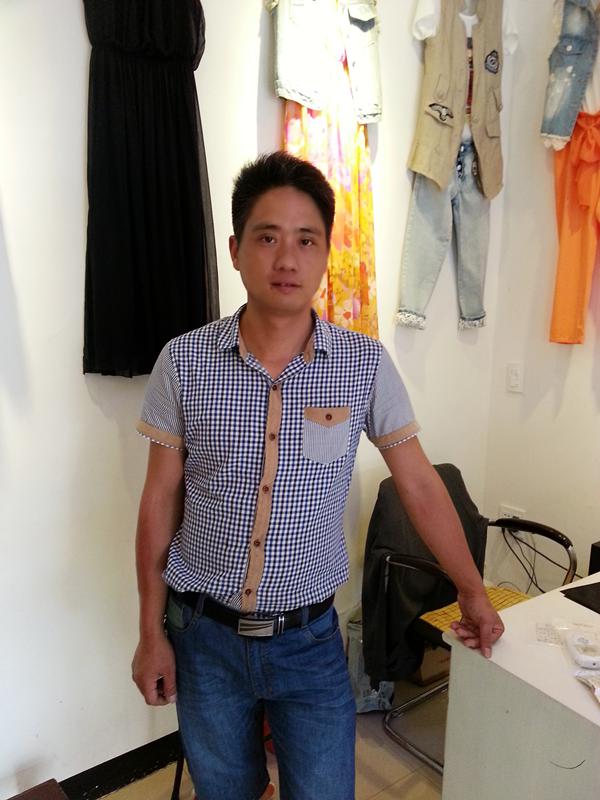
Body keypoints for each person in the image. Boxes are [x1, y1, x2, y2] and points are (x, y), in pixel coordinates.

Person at [131, 151, 504, 800]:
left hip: (308, 643)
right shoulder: (183, 362)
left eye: (306, 240)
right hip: (203, 637)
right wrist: (149, 633)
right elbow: (160, 499)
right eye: (267, 238)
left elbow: (419, 484)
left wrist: (472, 589)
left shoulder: (363, 364)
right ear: (235, 250)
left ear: (327, 253)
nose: (287, 258)